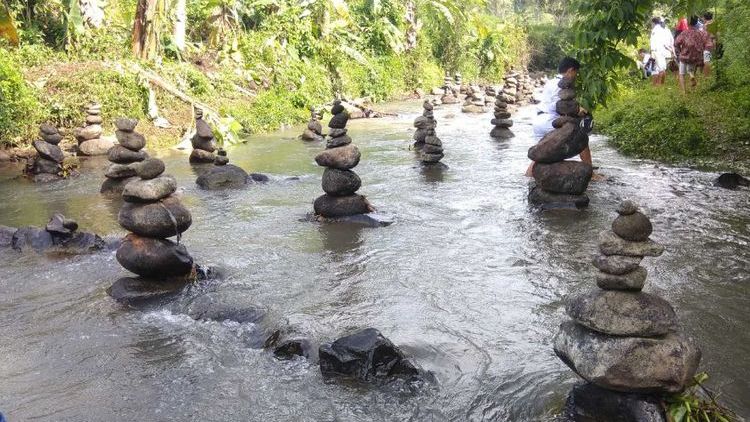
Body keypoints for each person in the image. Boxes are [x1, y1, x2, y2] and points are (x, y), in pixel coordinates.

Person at [528, 57, 592, 177]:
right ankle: (591, 173)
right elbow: (560, 106)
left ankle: (528, 175)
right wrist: (578, 110)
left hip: (538, 119)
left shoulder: (551, 82)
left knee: (542, 153)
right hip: (550, 120)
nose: (575, 76)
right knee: (581, 138)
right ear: (570, 70)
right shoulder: (561, 85)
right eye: (576, 73)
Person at [674, 15, 713, 94]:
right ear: (696, 22)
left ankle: (684, 92)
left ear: (688, 23)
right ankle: (692, 79)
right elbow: (707, 42)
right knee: (691, 70)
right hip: (695, 57)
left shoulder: (684, 33)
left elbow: (676, 43)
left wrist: (680, 50)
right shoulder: (701, 33)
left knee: (681, 74)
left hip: (684, 56)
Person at [650, 17, 674, 85]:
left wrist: (652, 53)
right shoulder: (664, 30)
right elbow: (670, 41)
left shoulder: (655, 30)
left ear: (653, 23)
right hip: (664, 51)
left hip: (657, 51)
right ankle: (659, 85)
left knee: (659, 69)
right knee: (660, 68)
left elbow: (653, 43)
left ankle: (659, 85)